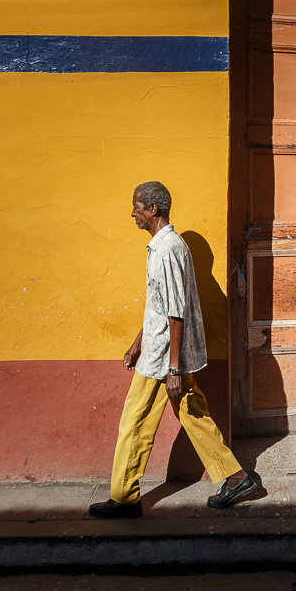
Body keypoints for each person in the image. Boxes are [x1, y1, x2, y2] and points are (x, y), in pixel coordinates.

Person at [88, 182, 256, 519]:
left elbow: (175, 312)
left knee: (134, 421)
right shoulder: (165, 247)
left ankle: (124, 497)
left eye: (137, 206)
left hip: (163, 359)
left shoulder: (166, 250)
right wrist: (137, 343)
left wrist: (174, 368)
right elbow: (158, 305)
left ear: (153, 210)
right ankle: (236, 477)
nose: (133, 212)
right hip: (162, 352)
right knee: (193, 414)